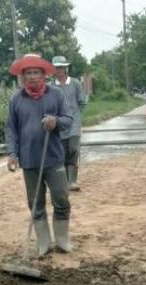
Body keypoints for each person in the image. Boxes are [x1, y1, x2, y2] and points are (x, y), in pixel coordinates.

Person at [5, 54, 73, 256]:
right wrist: (12, 153)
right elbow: (11, 129)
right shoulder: (16, 99)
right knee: (35, 202)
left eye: (36, 72)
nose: (32, 77)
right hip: (29, 160)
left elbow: (68, 119)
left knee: (61, 198)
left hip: (53, 158)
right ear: (23, 77)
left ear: (44, 74)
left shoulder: (56, 95)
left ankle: (62, 240)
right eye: (28, 73)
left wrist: (56, 121)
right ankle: (43, 242)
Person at [49, 55, 87, 191]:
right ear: (53, 69)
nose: (60, 70)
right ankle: (64, 181)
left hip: (74, 123)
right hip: (59, 125)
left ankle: (73, 181)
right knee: (62, 152)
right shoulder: (51, 86)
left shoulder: (75, 83)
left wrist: (76, 116)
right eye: (57, 67)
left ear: (66, 68)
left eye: (62, 67)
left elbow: (82, 102)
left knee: (74, 149)